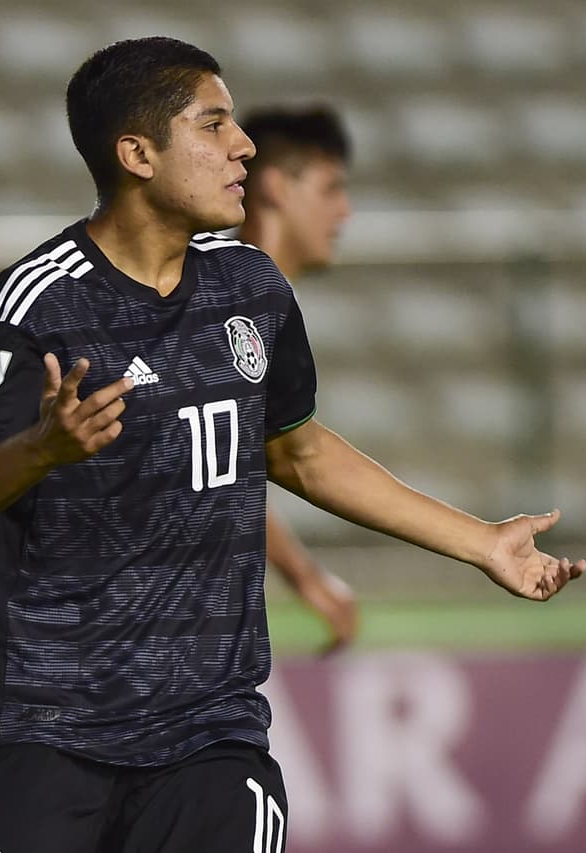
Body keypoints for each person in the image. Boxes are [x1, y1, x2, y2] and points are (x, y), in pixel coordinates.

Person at [0, 37, 586, 853]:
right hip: (48, 730)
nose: (244, 146)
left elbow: (296, 450)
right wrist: (39, 450)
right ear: (137, 153)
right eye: (215, 124)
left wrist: (481, 541)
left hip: (211, 736)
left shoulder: (250, 286)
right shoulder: (36, 300)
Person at [238, 104, 358, 654]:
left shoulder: (263, 300)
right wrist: (306, 578)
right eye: (330, 189)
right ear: (276, 187)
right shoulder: (227, 301)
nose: (345, 211)